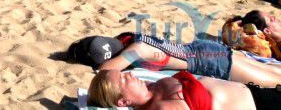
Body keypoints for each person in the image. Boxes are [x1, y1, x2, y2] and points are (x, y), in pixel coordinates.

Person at [94, 32, 281, 87]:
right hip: (204, 49)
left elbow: (105, 70)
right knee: (273, 71)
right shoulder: (136, 38)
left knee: (274, 81)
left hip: (207, 61)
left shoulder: (138, 48)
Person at [89, 67, 281, 109]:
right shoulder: (161, 107)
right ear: (123, 101)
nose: (130, 74)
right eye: (123, 79)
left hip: (257, 92)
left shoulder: (151, 88)